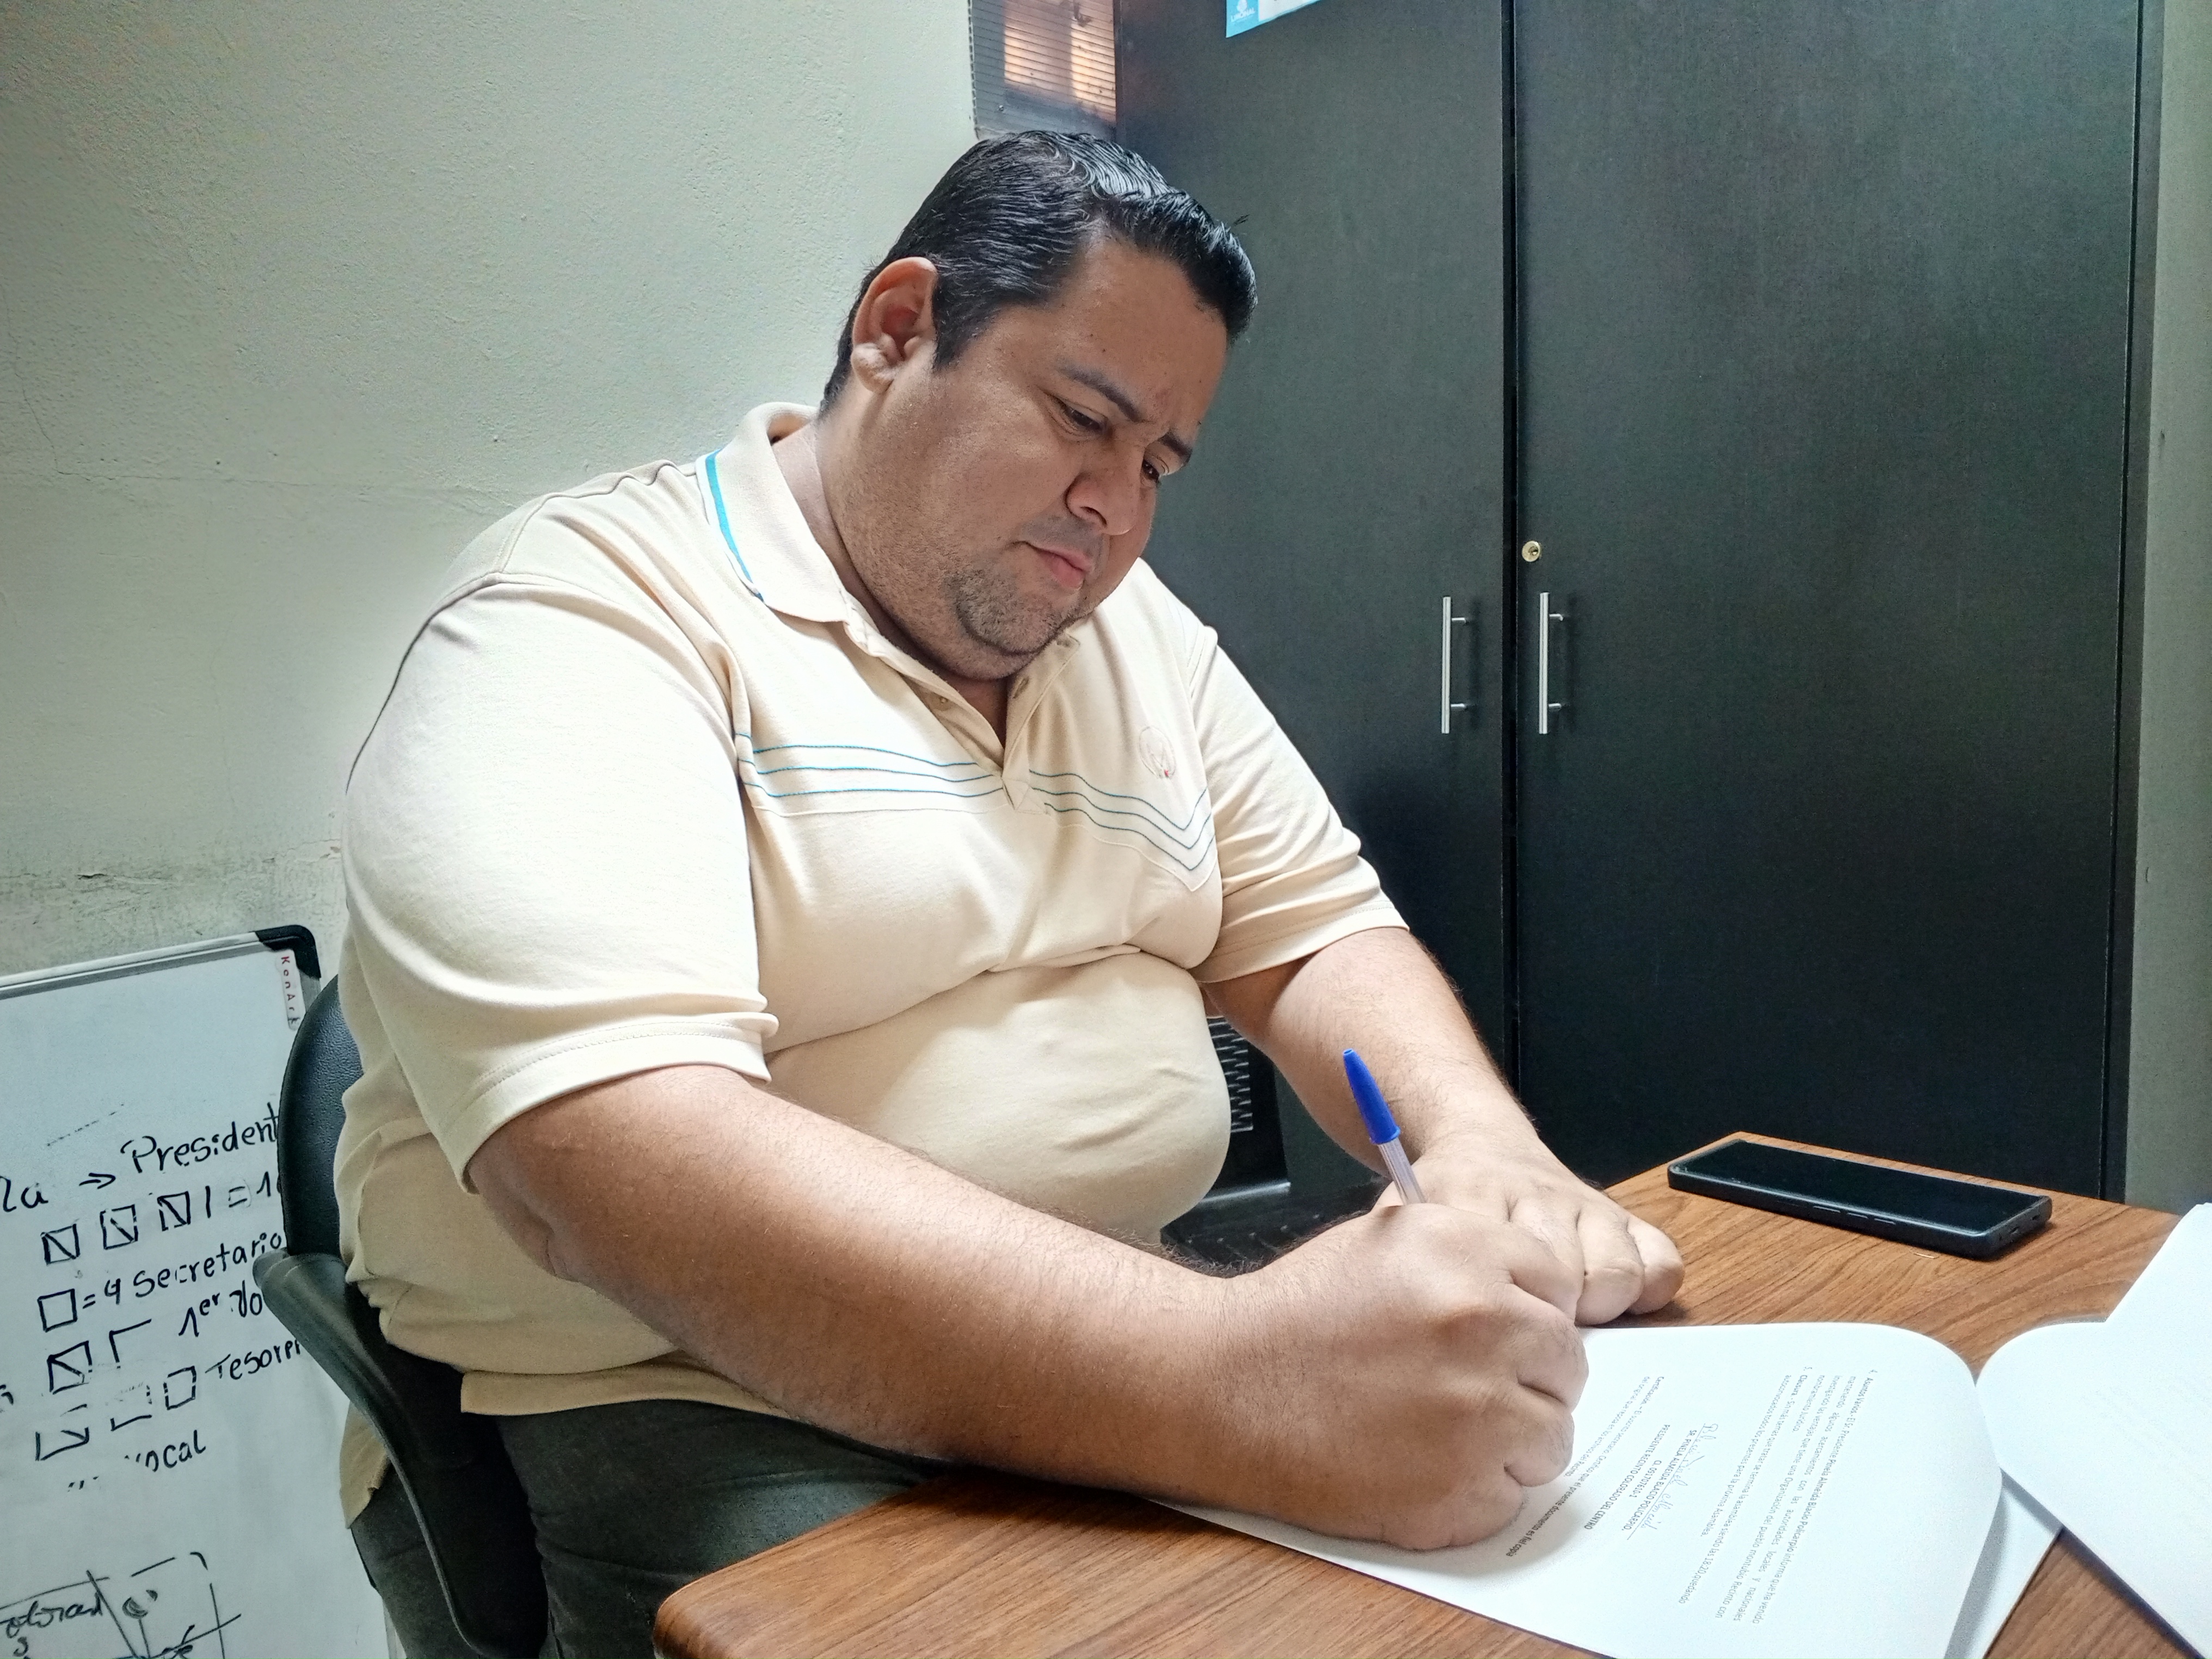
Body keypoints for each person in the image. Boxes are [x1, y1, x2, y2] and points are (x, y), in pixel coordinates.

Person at [335, 131, 1683, 1656]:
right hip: (697, 1396)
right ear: (898, 328)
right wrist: (1243, 1378)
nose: (1114, 508)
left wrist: (1488, 1149)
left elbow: (1312, 932)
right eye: (1082, 420)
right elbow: (614, 1168)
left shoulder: (1126, 630)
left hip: (1120, 1325)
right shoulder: (577, 618)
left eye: (1157, 465)